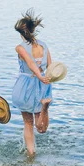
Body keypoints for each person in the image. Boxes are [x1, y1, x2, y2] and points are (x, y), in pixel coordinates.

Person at [12, 9, 53, 156]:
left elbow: (30, 63)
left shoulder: (20, 47)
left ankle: (31, 153)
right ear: (33, 30)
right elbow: (50, 66)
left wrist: (38, 76)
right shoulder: (44, 46)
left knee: (28, 123)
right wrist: (44, 78)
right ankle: (45, 108)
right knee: (41, 128)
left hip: (26, 84)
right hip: (43, 84)